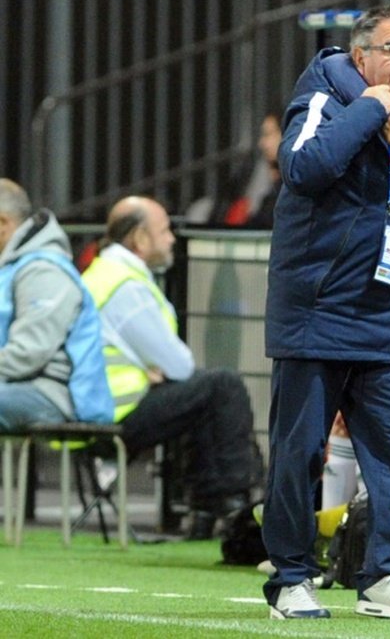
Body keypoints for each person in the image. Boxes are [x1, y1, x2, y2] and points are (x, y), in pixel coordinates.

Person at [262, 5, 390, 621]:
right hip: (316, 314)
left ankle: (387, 575)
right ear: (360, 56)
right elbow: (304, 167)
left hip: (386, 311)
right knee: (300, 453)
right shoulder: (325, 95)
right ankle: (291, 579)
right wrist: (374, 108)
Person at [81, 196, 263, 539]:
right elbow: (179, 365)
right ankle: (236, 507)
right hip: (116, 409)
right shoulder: (127, 285)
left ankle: (210, 509)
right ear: (139, 238)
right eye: (164, 231)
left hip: (101, 404)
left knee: (205, 395)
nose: (172, 239)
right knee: (222, 386)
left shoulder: (103, 273)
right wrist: (156, 368)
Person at [0, 179, 113, 432]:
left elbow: (29, 353)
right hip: (17, 385)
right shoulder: (13, 268)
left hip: (51, 392)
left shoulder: (43, 271)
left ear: (3, 224)